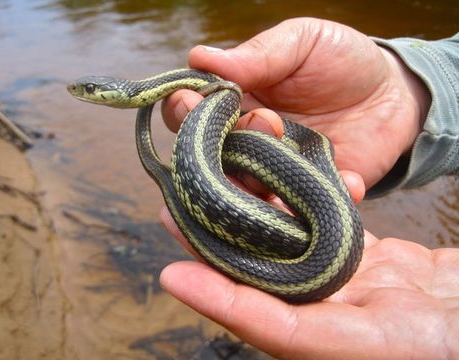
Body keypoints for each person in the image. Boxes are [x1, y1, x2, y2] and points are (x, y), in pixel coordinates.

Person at [159, 18, 459, 359]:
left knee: (240, 142)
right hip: (275, 160)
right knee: (235, 145)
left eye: (90, 90)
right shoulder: (224, 100)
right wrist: (407, 92)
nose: (84, 95)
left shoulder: (234, 101)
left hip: (301, 180)